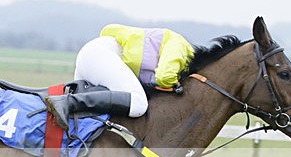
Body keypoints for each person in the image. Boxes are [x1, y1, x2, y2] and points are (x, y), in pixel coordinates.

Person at [44, 24, 194, 129]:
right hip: (101, 56)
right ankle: (66, 102)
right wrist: (177, 85)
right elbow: (164, 77)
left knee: (89, 120)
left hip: (93, 55)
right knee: (138, 104)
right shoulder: (182, 47)